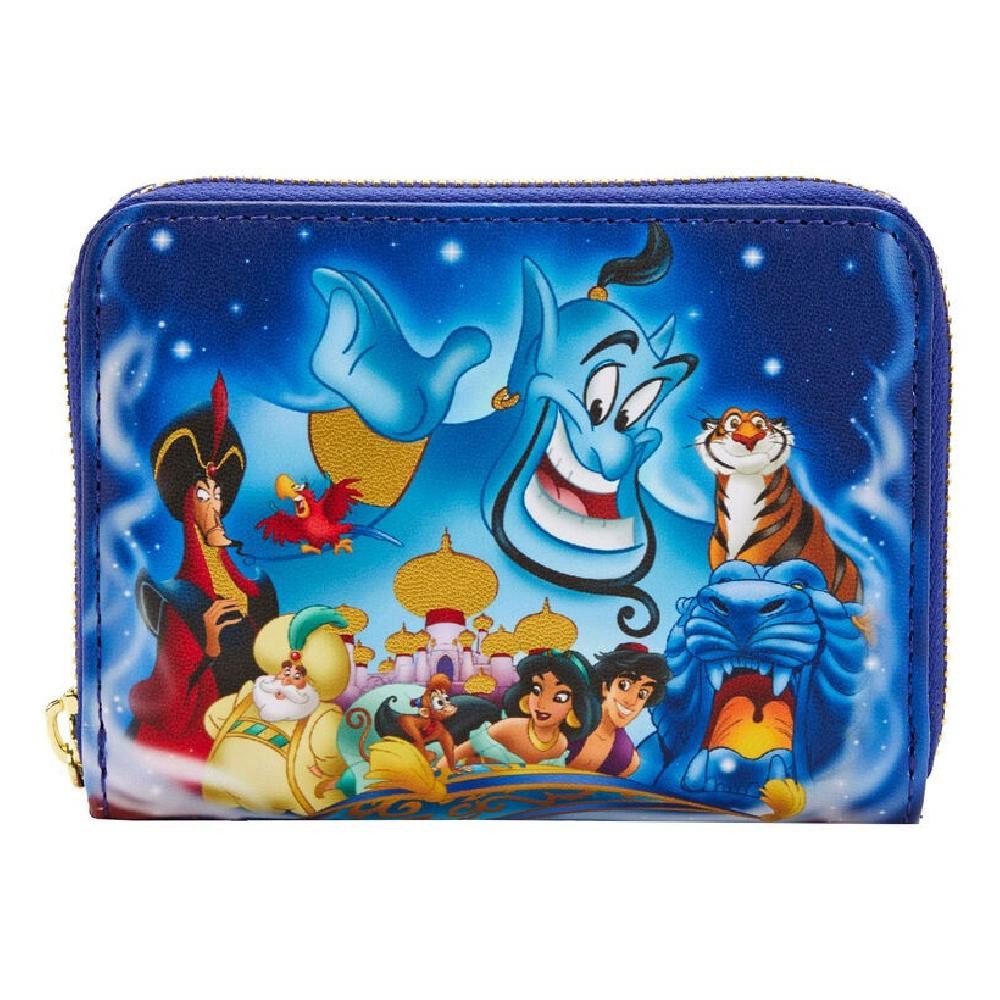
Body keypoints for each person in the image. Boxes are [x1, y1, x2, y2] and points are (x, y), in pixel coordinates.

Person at [129, 374, 278, 760]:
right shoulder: (177, 600)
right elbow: (170, 700)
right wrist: (209, 646)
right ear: (186, 502)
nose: (213, 505)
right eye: (202, 495)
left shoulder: (256, 590)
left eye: (217, 494)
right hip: (209, 735)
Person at [202, 606, 352, 815]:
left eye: (297, 677)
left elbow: (332, 757)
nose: (287, 680)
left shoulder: (322, 717)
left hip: (292, 799)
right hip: (222, 792)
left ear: (311, 681)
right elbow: (213, 719)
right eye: (286, 671)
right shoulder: (248, 696)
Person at [449, 650, 599, 767]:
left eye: (560, 697)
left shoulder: (561, 743)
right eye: (536, 690)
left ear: (576, 706)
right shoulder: (509, 729)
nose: (542, 704)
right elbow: (453, 757)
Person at [566, 643, 669, 778]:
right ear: (605, 686)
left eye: (642, 694)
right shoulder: (567, 720)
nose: (631, 701)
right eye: (624, 685)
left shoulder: (627, 760)